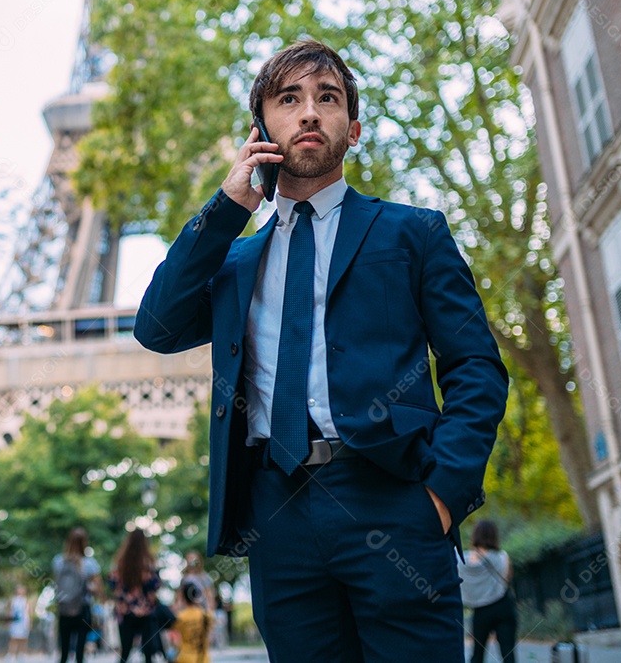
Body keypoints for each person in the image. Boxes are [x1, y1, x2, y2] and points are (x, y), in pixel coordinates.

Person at [134, 38, 508, 661]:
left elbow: (476, 367)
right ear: (260, 129)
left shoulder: (413, 234)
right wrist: (228, 209)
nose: (309, 112)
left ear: (352, 129)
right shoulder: (235, 259)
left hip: (393, 499)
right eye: (290, 99)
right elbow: (157, 326)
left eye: (327, 98)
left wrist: (442, 496)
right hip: (278, 513)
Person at [459, 521, 516, 663]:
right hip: (503, 606)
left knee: (477, 654)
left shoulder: (462, 560)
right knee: (508, 653)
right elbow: (507, 578)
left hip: (480, 611)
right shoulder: (502, 556)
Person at [109, 529, 162, 663]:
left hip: (125, 611)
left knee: (125, 650)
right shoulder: (149, 562)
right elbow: (154, 586)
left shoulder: (120, 562)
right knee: (148, 652)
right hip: (146, 611)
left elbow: (113, 584)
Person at [52, 527, 101, 663]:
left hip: (64, 608)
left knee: (64, 651)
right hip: (82, 608)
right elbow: (97, 589)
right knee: (80, 652)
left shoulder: (58, 561)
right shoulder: (90, 564)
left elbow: (57, 584)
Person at [172, 577, 214, 663]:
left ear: (183, 597)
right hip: (203, 659)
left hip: (185, 659)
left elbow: (174, 640)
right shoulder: (206, 616)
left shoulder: (180, 617)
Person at [6, 584, 30, 661]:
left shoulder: (26, 600)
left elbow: (28, 612)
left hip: (23, 623)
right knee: (13, 639)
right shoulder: (13, 600)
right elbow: (9, 611)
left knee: (23, 639)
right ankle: (11, 655)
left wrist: (29, 623)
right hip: (15, 622)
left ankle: (21, 655)